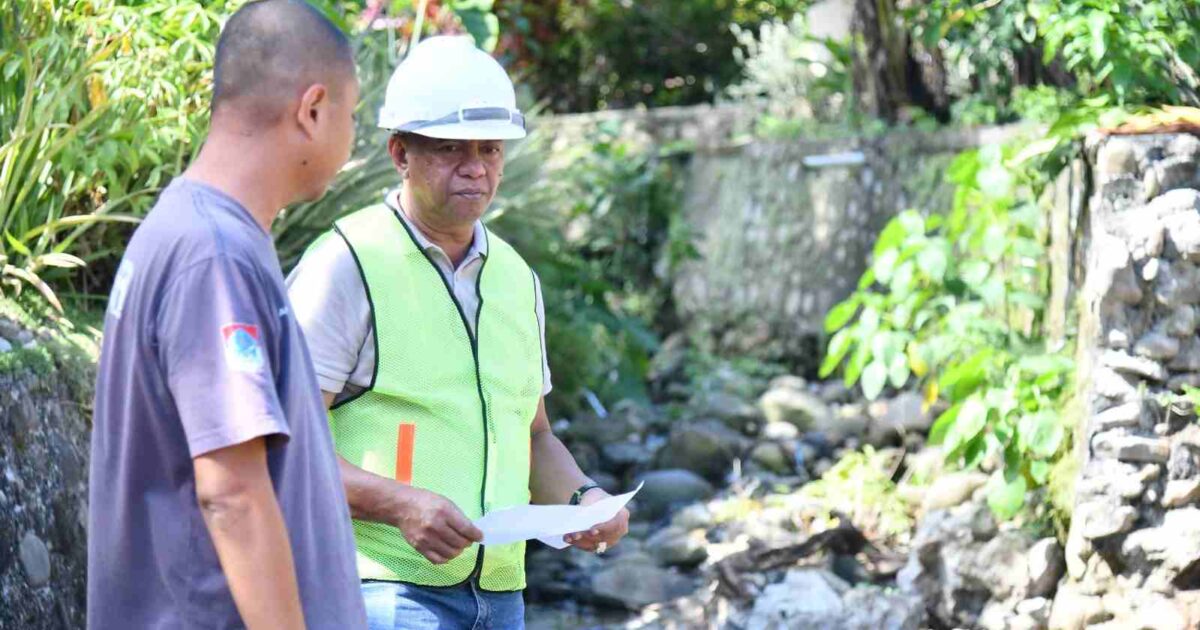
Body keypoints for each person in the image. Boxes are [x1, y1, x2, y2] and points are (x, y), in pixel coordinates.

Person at [286, 36, 629, 629]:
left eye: (491, 149)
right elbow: (288, 444)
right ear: (400, 153)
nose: (476, 166)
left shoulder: (517, 278)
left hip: (500, 598)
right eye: (450, 149)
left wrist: (584, 501)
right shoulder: (346, 261)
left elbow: (535, 436)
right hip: (380, 593)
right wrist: (400, 506)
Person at [87, 2, 367, 628]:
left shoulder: (197, 234)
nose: (353, 134)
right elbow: (233, 495)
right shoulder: (214, 256)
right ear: (313, 109)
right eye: (353, 114)